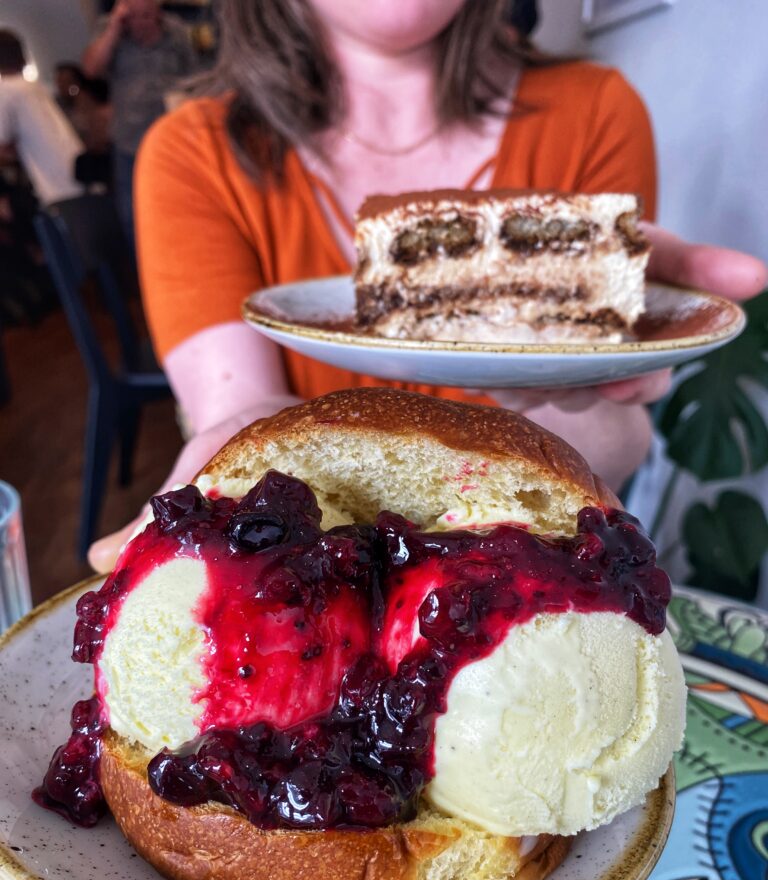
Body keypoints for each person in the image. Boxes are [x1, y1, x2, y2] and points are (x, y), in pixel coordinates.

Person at [88, 0, 767, 572]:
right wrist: (241, 443)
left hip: (520, 576)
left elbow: (613, 441)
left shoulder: (596, 110)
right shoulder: (195, 152)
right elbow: (247, 409)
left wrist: (578, 392)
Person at [81, 0, 196, 245]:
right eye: (134, 16)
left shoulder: (175, 31)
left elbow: (194, 79)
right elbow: (91, 69)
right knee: (134, 217)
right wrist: (114, 28)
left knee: (181, 207)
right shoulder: (111, 30)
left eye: (147, 15)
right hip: (129, 144)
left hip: (173, 141)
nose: (141, 22)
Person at [0, 30, 84, 205]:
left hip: (56, 187)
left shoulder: (7, 91)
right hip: (75, 173)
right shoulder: (33, 87)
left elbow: (3, 145)